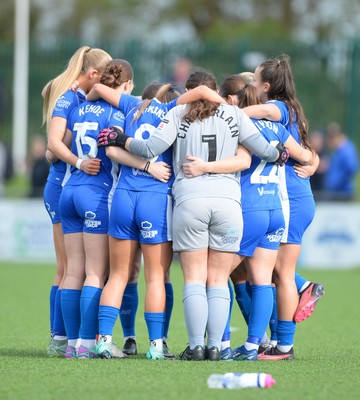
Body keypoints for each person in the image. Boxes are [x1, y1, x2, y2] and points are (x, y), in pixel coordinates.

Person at [97, 70, 289, 361]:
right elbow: (265, 150)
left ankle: (196, 345)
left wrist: (122, 139)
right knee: (218, 278)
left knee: (195, 279)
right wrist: (279, 152)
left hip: (190, 201)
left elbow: (149, 148)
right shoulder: (235, 114)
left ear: (188, 91)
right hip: (228, 203)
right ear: (215, 91)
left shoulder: (178, 114)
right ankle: (217, 347)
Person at [88, 67, 230, 360]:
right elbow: (202, 92)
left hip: (123, 197)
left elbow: (102, 100)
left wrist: (88, 91)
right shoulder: (171, 110)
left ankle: (103, 341)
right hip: (155, 199)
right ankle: (156, 346)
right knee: (156, 277)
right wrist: (229, 109)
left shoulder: (132, 107)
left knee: (118, 275)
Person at [182, 72, 315, 362]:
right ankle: (255, 346)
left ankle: (222, 343)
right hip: (276, 210)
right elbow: (306, 157)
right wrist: (312, 164)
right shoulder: (279, 128)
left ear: (233, 100)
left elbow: (238, 159)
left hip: (250, 209)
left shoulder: (236, 124)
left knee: (216, 277)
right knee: (262, 280)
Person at [243, 55, 324, 360]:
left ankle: (284, 345)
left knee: (281, 273)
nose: (252, 83)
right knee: (277, 272)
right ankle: (283, 338)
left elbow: (255, 111)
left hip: (289, 198)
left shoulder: (276, 108)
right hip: (297, 196)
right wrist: (313, 163)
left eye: (254, 79)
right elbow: (308, 152)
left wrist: (225, 112)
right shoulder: (293, 109)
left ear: (267, 85)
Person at [43, 45, 112, 357]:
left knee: (77, 268)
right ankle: (61, 338)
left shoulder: (82, 98)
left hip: (72, 184)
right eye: (107, 74)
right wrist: (78, 161)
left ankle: (71, 340)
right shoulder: (70, 98)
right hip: (64, 184)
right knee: (69, 267)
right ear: (94, 74)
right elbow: (52, 146)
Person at [324, 122, 358, 201]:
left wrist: (339, 183)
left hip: (343, 193)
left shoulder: (347, 150)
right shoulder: (336, 150)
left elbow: (352, 168)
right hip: (335, 192)